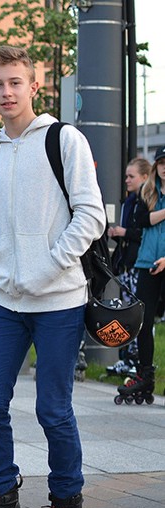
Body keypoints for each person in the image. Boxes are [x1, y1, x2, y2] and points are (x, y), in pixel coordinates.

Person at [0, 46, 106, 508]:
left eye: (16, 82)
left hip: (59, 301)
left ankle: (66, 506)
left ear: (33, 86)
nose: (7, 93)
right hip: (6, 306)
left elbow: (90, 216)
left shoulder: (65, 140)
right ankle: (0, 503)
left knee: (52, 409)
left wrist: (46, 268)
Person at [119, 148, 165, 401]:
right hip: (146, 263)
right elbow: (141, 221)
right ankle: (145, 375)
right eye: (161, 163)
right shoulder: (148, 192)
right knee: (143, 323)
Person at [107, 157, 152, 374]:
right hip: (127, 264)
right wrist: (118, 235)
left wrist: (125, 233)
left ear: (145, 177)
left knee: (139, 315)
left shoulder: (146, 202)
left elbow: (146, 233)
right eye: (126, 176)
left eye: (131, 176)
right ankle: (127, 358)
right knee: (126, 314)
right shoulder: (128, 203)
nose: (126, 180)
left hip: (140, 265)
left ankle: (139, 360)